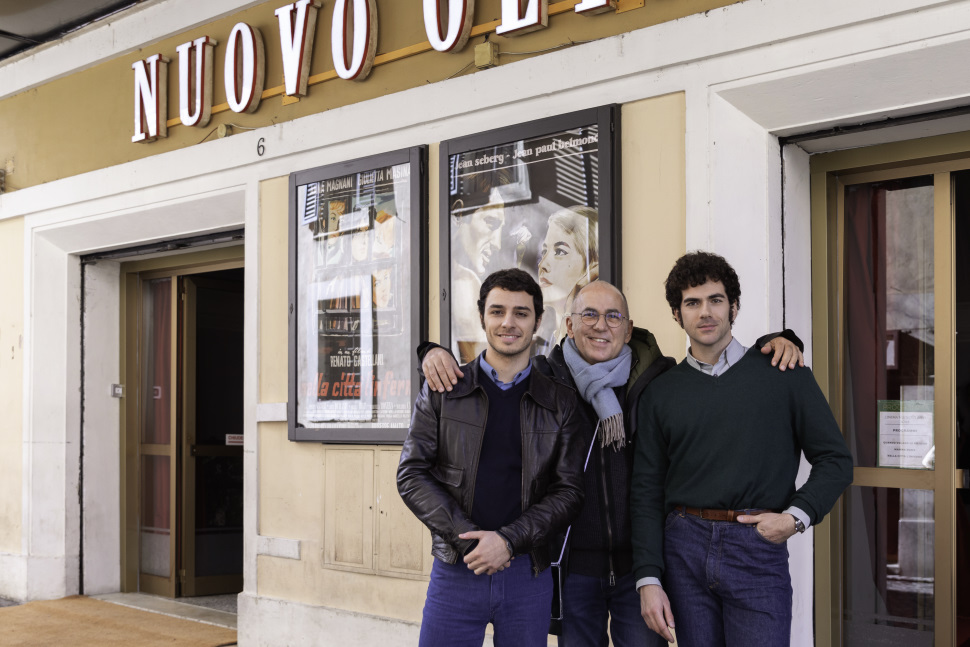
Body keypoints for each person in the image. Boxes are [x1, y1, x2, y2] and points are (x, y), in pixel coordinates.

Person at [420, 279, 805, 647]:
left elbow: (715, 364)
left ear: (628, 327)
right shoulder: (544, 381)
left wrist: (777, 341)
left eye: (613, 316)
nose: (600, 325)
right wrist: (431, 352)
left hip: (640, 565)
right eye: (589, 314)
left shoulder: (658, 378)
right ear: (569, 325)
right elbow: (496, 370)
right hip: (571, 565)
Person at [632, 251, 853, 647]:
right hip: (683, 550)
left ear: (734, 307)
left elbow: (835, 460)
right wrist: (648, 577)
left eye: (715, 300)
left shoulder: (784, 373)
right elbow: (646, 490)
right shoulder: (660, 393)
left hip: (756, 549)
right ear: (677, 314)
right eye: (692, 303)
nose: (705, 312)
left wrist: (795, 518)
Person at [398, 268, 586, 647]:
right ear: (482, 316)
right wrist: (470, 542)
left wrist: (508, 541)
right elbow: (412, 475)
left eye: (521, 313)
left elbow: (569, 491)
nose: (508, 322)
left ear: (537, 321)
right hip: (457, 569)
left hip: (526, 573)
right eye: (497, 311)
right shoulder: (444, 389)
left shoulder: (560, 401)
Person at [536, 206, 599, 356]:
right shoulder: (541, 337)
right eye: (544, 252)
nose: (542, 265)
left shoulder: (596, 345)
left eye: (560, 252)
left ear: (592, 268)